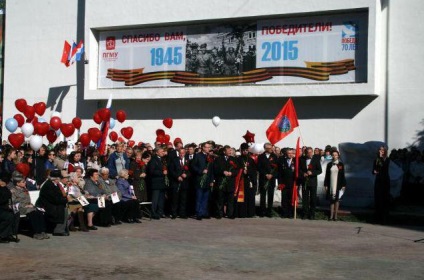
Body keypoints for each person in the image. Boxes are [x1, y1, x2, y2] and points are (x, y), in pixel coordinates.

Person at [10, 173, 49, 239]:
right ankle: (36, 232)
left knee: (39, 212)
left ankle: (42, 231)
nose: (25, 183)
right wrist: (25, 206)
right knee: (33, 213)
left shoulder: (25, 189)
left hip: (28, 207)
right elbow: (12, 203)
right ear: (17, 183)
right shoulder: (13, 191)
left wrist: (30, 205)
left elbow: (27, 200)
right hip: (20, 208)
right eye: (23, 182)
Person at [36, 169, 69, 236]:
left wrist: (65, 199)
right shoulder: (48, 185)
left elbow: (58, 196)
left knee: (63, 208)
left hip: (52, 203)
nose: (59, 180)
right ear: (55, 179)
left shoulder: (55, 184)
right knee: (62, 209)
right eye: (59, 178)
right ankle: (58, 230)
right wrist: (66, 200)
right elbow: (54, 199)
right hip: (45, 205)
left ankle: (60, 229)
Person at [213, 145, 238, 219]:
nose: (230, 152)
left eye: (230, 150)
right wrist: (222, 172)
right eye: (228, 150)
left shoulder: (234, 159)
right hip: (221, 181)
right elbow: (216, 169)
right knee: (220, 199)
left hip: (230, 182)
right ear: (224, 152)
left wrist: (232, 173)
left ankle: (230, 213)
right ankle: (219, 213)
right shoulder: (218, 159)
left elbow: (237, 170)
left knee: (230, 199)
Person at [191, 142, 214, 220]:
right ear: (203, 148)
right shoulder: (197, 156)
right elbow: (193, 166)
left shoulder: (210, 157)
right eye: (207, 147)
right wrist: (201, 171)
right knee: (199, 197)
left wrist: (211, 180)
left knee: (205, 197)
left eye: (209, 147)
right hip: (199, 179)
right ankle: (198, 213)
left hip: (207, 180)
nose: (208, 149)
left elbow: (211, 170)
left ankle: (204, 212)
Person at [300, 147, 322, 220]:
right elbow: (299, 169)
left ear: (312, 152)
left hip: (313, 182)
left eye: (310, 152)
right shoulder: (302, 159)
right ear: (305, 153)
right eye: (308, 152)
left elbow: (319, 170)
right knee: (305, 199)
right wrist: (303, 173)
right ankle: (304, 213)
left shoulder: (316, 159)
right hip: (305, 182)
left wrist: (312, 173)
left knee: (313, 199)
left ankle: (312, 214)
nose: (309, 154)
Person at [324, 150, 347, 221]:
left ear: (338, 156)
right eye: (333, 155)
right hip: (331, 184)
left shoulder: (341, 164)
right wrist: (326, 184)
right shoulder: (329, 164)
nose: (334, 156)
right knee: (331, 200)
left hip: (338, 184)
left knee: (337, 200)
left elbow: (343, 175)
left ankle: (335, 216)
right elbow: (327, 175)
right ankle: (331, 216)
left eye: (336, 155)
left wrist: (344, 185)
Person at [168, 147, 190, 219]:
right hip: (176, 182)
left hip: (184, 182)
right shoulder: (174, 160)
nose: (181, 155)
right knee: (175, 199)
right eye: (180, 153)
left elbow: (190, 171)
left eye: (183, 153)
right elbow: (171, 170)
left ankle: (182, 213)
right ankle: (174, 213)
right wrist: (177, 176)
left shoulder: (187, 160)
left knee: (183, 199)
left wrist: (186, 175)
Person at [257, 143, 278, 217]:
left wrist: (272, 175)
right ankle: (262, 211)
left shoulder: (275, 156)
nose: (270, 149)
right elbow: (259, 167)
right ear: (265, 148)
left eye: (271, 148)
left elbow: (277, 168)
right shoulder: (261, 157)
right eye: (268, 148)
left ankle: (269, 211)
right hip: (263, 178)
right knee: (263, 195)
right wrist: (265, 174)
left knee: (270, 195)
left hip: (271, 179)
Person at [236, 143, 257, 218]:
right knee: (242, 197)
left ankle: (250, 213)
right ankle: (242, 213)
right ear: (241, 150)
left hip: (249, 181)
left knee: (250, 197)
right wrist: (242, 171)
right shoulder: (238, 159)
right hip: (241, 181)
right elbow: (236, 169)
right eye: (244, 150)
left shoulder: (251, 159)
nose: (245, 152)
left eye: (246, 150)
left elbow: (254, 170)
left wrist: (248, 172)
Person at [147, 147, 167, 219]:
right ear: (156, 152)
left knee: (161, 198)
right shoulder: (153, 160)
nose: (162, 152)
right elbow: (151, 171)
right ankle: (153, 212)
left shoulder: (163, 159)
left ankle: (160, 212)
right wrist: (162, 173)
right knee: (155, 199)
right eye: (161, 151)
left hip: (162, 182)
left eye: (163, 151)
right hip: (156, 182)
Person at [372, 146, 391, 224]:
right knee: (378, 198)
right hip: (378, 180)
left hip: (385, 180)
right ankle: (377, 217)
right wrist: (374, 171)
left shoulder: (387, 159)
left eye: (382, 150)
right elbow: (373, 170)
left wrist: (380, 158)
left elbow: (384, 166)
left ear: (385, 151)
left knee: (384, 199)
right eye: (380, 149)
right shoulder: (376, 160)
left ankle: (384, 218)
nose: (381, 151)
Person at [277, 148, 296, 218]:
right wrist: (280, 183)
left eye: (292, 153)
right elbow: (279, 173)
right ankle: (284, 213)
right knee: (284, 198)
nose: (290, 154)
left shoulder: (295, 161)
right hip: (284, 183)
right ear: (286, 154)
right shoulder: (282, 160)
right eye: (289, 153)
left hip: (292, 183)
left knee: (291, 199)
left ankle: (290, 213)